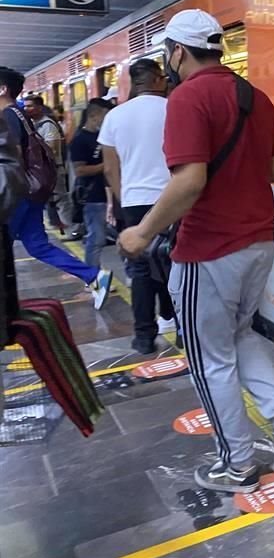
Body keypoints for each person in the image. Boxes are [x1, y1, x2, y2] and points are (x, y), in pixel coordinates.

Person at [118, 9, 274, 493]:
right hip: (260, 240)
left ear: (177, 52)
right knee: (239, 336)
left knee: (208, 358)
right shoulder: (256, 97)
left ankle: (238, 465)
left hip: (209, 248)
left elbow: (189, 181)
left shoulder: (186, 98)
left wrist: (141, 232)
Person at [0, 67, 113, 310]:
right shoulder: (19, 114)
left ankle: (5, 305)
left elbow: (13, 160)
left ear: (3, 89)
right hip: (32, 191)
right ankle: (94, 275)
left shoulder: (7, 116)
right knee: (37, 246)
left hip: (18, 193)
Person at [101, 58, 176, 354]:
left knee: (141, 271)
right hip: (173, 200)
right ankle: (181, 326)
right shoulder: (174, 108)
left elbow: (110, 168)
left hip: (133, 204)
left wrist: (124, 198)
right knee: (178, 264)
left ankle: (144, 337)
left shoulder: (115, 116)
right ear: (157, 79)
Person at [23, 95, 77, 239]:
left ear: (39, 107)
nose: (26, 109)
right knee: (48, 201)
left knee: (61, 199)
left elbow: (52, 148)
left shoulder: (48, 125)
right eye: (25, 106)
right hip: (40, 170)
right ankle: (60, 226)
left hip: (52, 169)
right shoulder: (31, 124)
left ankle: (72, 228)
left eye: (30, 106)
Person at [69, 99, 113, 271]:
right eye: (105, 116)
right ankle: (91, 276)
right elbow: (80, 170)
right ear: (93, 116)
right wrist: (108, 164)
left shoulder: (106, 136)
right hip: (93, 196)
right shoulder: (80, 140)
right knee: (96, 238)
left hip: (111, 192)